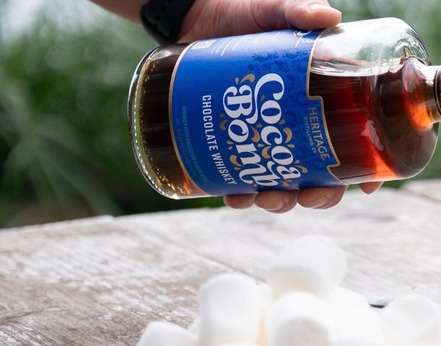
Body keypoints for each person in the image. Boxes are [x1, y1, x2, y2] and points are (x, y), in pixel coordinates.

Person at [91, 0, 382, 213]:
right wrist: (191, 11)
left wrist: (192, 13)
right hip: (175, 89)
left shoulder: (407, 152)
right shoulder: (385, 50)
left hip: (183, 169)